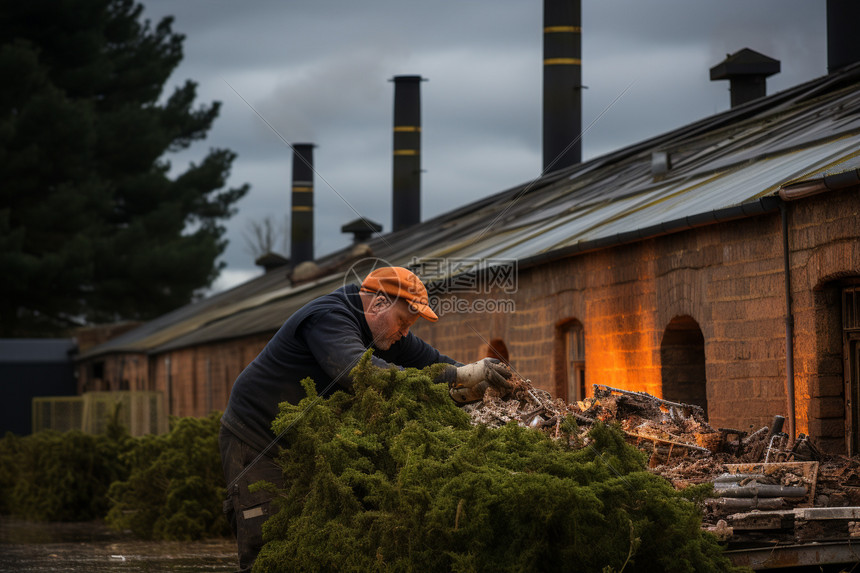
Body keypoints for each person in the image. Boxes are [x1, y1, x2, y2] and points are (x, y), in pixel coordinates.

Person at [219, 266, 511, 571]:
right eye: (403, 322)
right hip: (256, 438)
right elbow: (360, 372)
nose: (405, 333)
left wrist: (476, 373)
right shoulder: (329, 317)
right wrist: (458, 376)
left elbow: (432, 363)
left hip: (306, 443)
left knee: (312, 539)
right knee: (269, 544)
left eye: (410, 326)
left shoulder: (387, 332)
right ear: (379, 303)